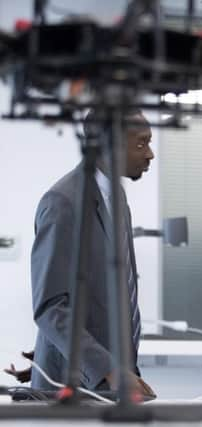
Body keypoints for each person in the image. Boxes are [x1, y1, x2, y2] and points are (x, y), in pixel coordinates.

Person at [29, 108, 155, 397]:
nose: (150, 154)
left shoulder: (117, 198)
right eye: (141, 143)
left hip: (110, 383)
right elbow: (50, 306)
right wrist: (109, 370)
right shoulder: (62, 203)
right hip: (75, 387)